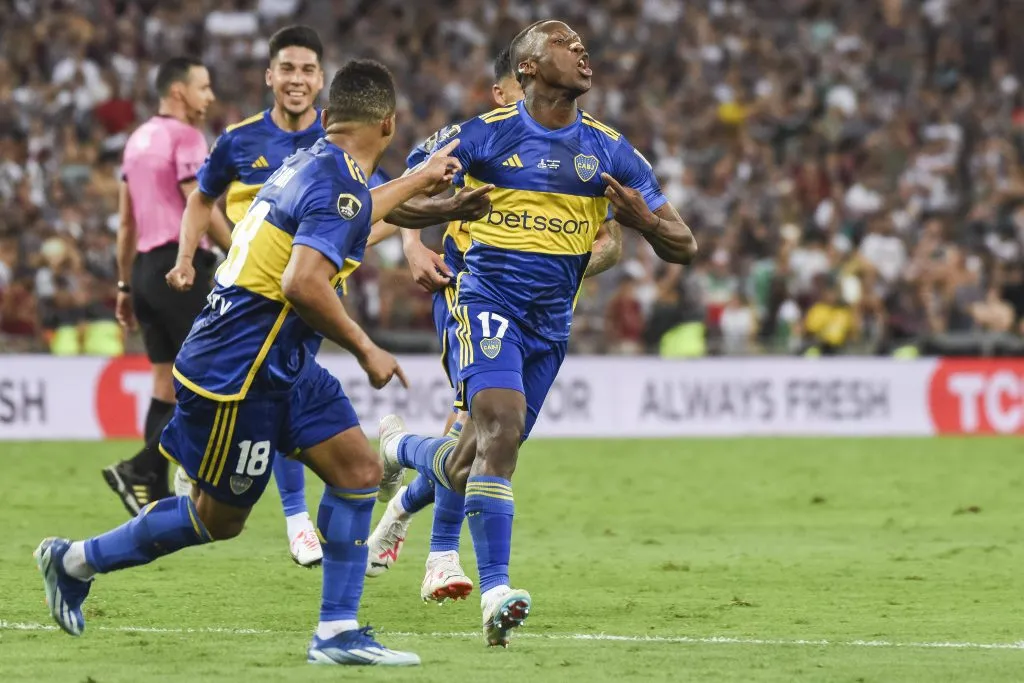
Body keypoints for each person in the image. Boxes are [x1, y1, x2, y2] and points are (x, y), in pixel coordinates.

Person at [34, 59, 462, 667]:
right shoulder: (335, 182)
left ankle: (336, 633)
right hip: (236, 372)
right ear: (388, 124)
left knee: (359, 471)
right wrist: (366, 347)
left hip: (278, 362)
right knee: (217, 520)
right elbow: (303, 283)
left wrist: (429, 190)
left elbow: (358, 221)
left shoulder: (310, 163)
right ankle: (74, 560)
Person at [375, 20, 697, 647]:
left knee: (473, 457)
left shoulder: (610, 152)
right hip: (483, 299)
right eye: (563, 43)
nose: (581, 50)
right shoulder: (481, 135)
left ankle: (399, 451)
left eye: (582, 44)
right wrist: (447, 210)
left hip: (550, 326)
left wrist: (645, 224)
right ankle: (495, 591)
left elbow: (685, 244)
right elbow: (393, 197)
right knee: (500, 424)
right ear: (526, 67)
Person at [165, 25, 493, 567]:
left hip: (290, 321)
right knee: (223, 509)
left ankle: (328, 595)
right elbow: (206, 202)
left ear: (321, 89)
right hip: (254, 317)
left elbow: (367, 208)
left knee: (352, 466)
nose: (297, 79)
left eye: (307, 70)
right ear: (269, 76)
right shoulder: (246, 141)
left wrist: (431, 218)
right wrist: (187, 256)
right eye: (287, 68)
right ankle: (285, 511)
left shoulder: (330, 153)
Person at [364, 45, 625, 606]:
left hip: (545, 313)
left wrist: (575, 255)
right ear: (505, 93)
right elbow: (409, 192)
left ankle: (401, 465)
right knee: (479, 424)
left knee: (480, 444)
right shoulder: (482, 140)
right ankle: (443, 559)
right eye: (508, 96)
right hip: (468, 292)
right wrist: (412, 245)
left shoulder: (583, 153)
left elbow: (611, 241)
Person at [102, 56, 229, 515]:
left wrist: (123, 285)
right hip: (181, 269)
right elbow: (198, 201)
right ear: (179, 92)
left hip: (142, 271)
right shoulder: (186, 137)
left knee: (163, 383)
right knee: (208, 379)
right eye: (204, 86)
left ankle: (152, 491)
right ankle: (138, 468)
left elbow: (126, 223)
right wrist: (238, 247)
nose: (209, 96)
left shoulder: (136, 141)